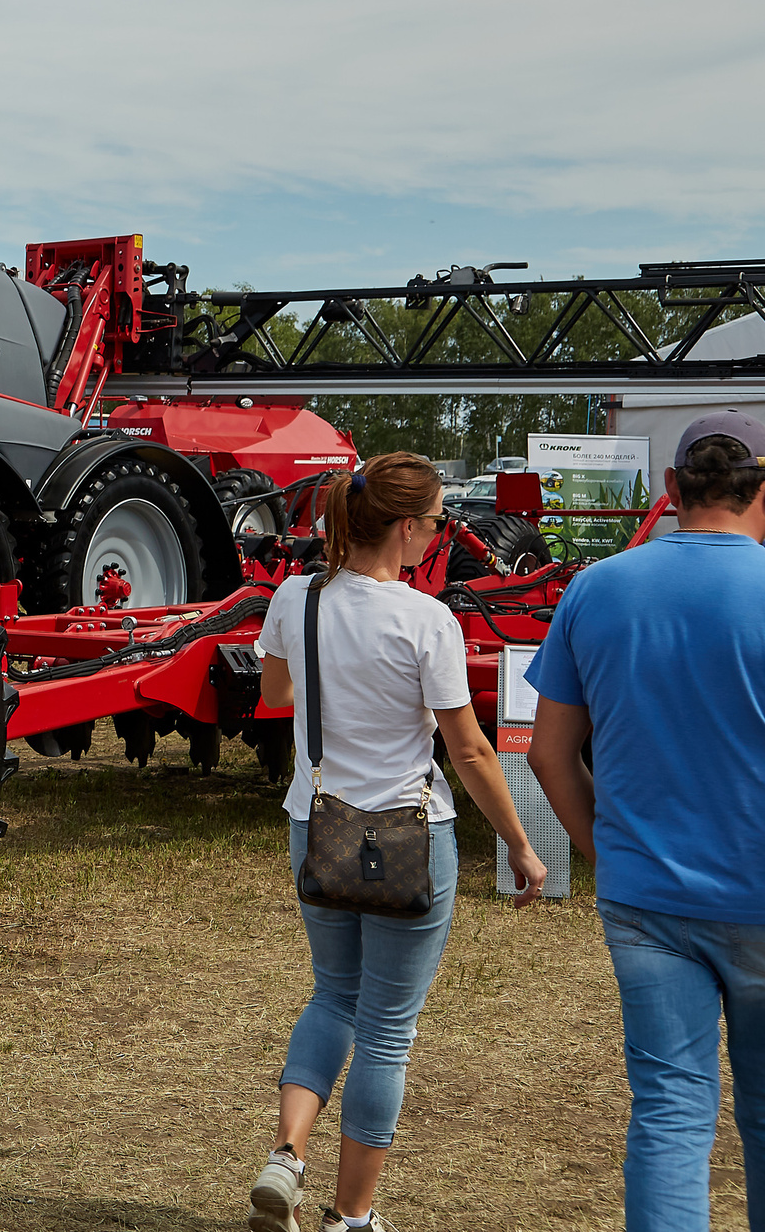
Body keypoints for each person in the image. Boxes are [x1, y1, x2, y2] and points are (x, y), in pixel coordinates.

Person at [528, 411, 765, 1231]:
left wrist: (606, 852)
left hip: (648, 902)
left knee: (670, 1113)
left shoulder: (597, 588)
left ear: (671, 491)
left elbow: (548, 754)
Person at [248, 451, 548, 1232]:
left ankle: (287, 1154)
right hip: (410, 834)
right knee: (385, 1028)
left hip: (317, 821)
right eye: (441, 518)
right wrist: (519, 842)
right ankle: (352, 1217)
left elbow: (275, 694)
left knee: (331, 993)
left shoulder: (294, 597)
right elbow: (471, 751)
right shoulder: (428, 620)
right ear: (409, 528)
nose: (441, 531)